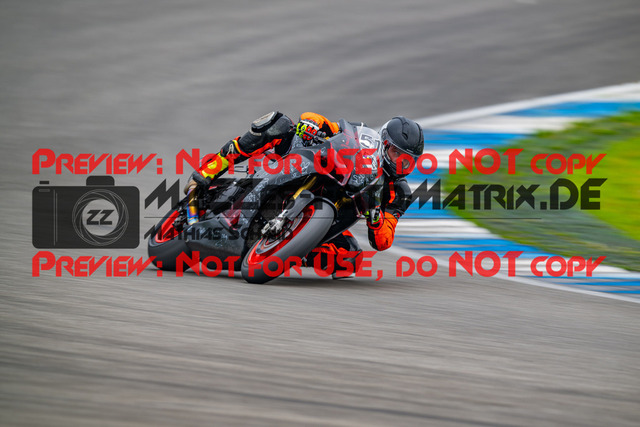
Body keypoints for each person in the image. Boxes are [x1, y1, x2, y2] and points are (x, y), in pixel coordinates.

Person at [185, 111, 424, 277]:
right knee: (278, 124)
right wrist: (311, 124)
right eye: (397, 155)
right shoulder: (365, 138)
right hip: (312, 167)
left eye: (408, 161)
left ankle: (289, 250)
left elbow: (383, 240)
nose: (401, 164)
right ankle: (211, 168)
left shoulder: (398, 193)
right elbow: (330, 126)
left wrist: (376, 218)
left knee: (349, 258)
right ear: (384, 143)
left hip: (332, 217)